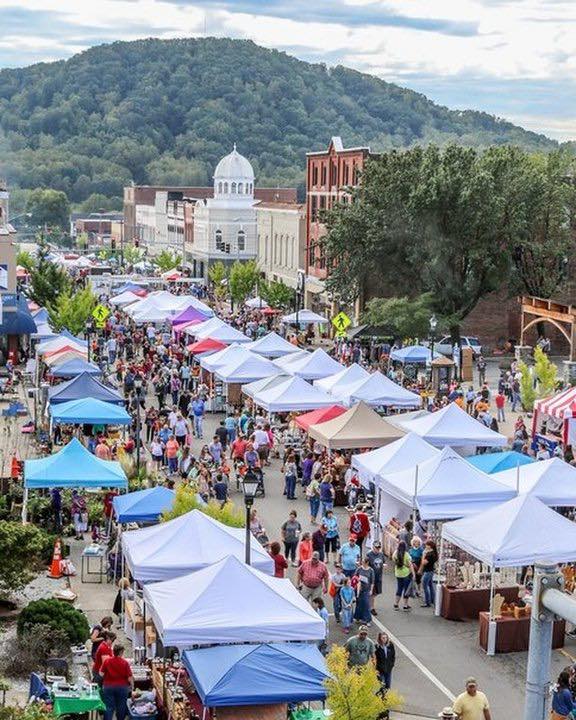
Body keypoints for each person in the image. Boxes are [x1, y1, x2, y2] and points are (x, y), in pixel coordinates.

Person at [100, 644, 134, 720]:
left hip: (108, 686)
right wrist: (132, 686)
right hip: (122, 687)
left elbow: (101, 674)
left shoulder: (107, 661)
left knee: (109, 706)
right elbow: (129, 677)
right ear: (121, 652)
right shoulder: (125, 663)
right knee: (121, 706)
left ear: (113, 651)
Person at [393, 540, 415, 611]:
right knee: (406, 589)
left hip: (398, 573)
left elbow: (394, 560)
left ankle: (396, 604)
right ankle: (405, 605)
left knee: (399, 588)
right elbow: (410, 565)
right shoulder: (406, 555)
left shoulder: (395, 553)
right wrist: (413, 574)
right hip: (406, 574)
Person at [366, 540, 385, 615]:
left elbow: (383, 562)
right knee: (372, 593)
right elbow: (365, 564)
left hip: (379, 576)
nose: (377, 549)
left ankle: (369, 603)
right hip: (371, 577)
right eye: (376, 548)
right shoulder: (369, 555)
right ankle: (371, 607)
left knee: (376, 592)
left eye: (378, 548)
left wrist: (384, 565)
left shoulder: (381, 554)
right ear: (373, 547)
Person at [354, 556, 374, 624]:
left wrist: (371, 590)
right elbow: (355, 577)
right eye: (362, 562)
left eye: (364, 562)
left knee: (366, 604)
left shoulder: (371, 570)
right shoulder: (359, 569)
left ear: (367, 563)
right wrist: (357, 580)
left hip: (366, 589)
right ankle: (358, 617)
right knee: (359, 603)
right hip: (359, 589)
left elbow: (372, 582)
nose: (362, 563)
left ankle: (367, 620)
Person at [420, 540, 438, 608]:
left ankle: (427, 602)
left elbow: (423, 563)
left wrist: (423, 555)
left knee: (425, 586)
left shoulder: (429, 554)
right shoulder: (433, 553)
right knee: (430, 586)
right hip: (431, 571)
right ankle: (432, 600)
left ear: (429, 546)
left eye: (426, 545)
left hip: (428, 571)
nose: (425, 546)